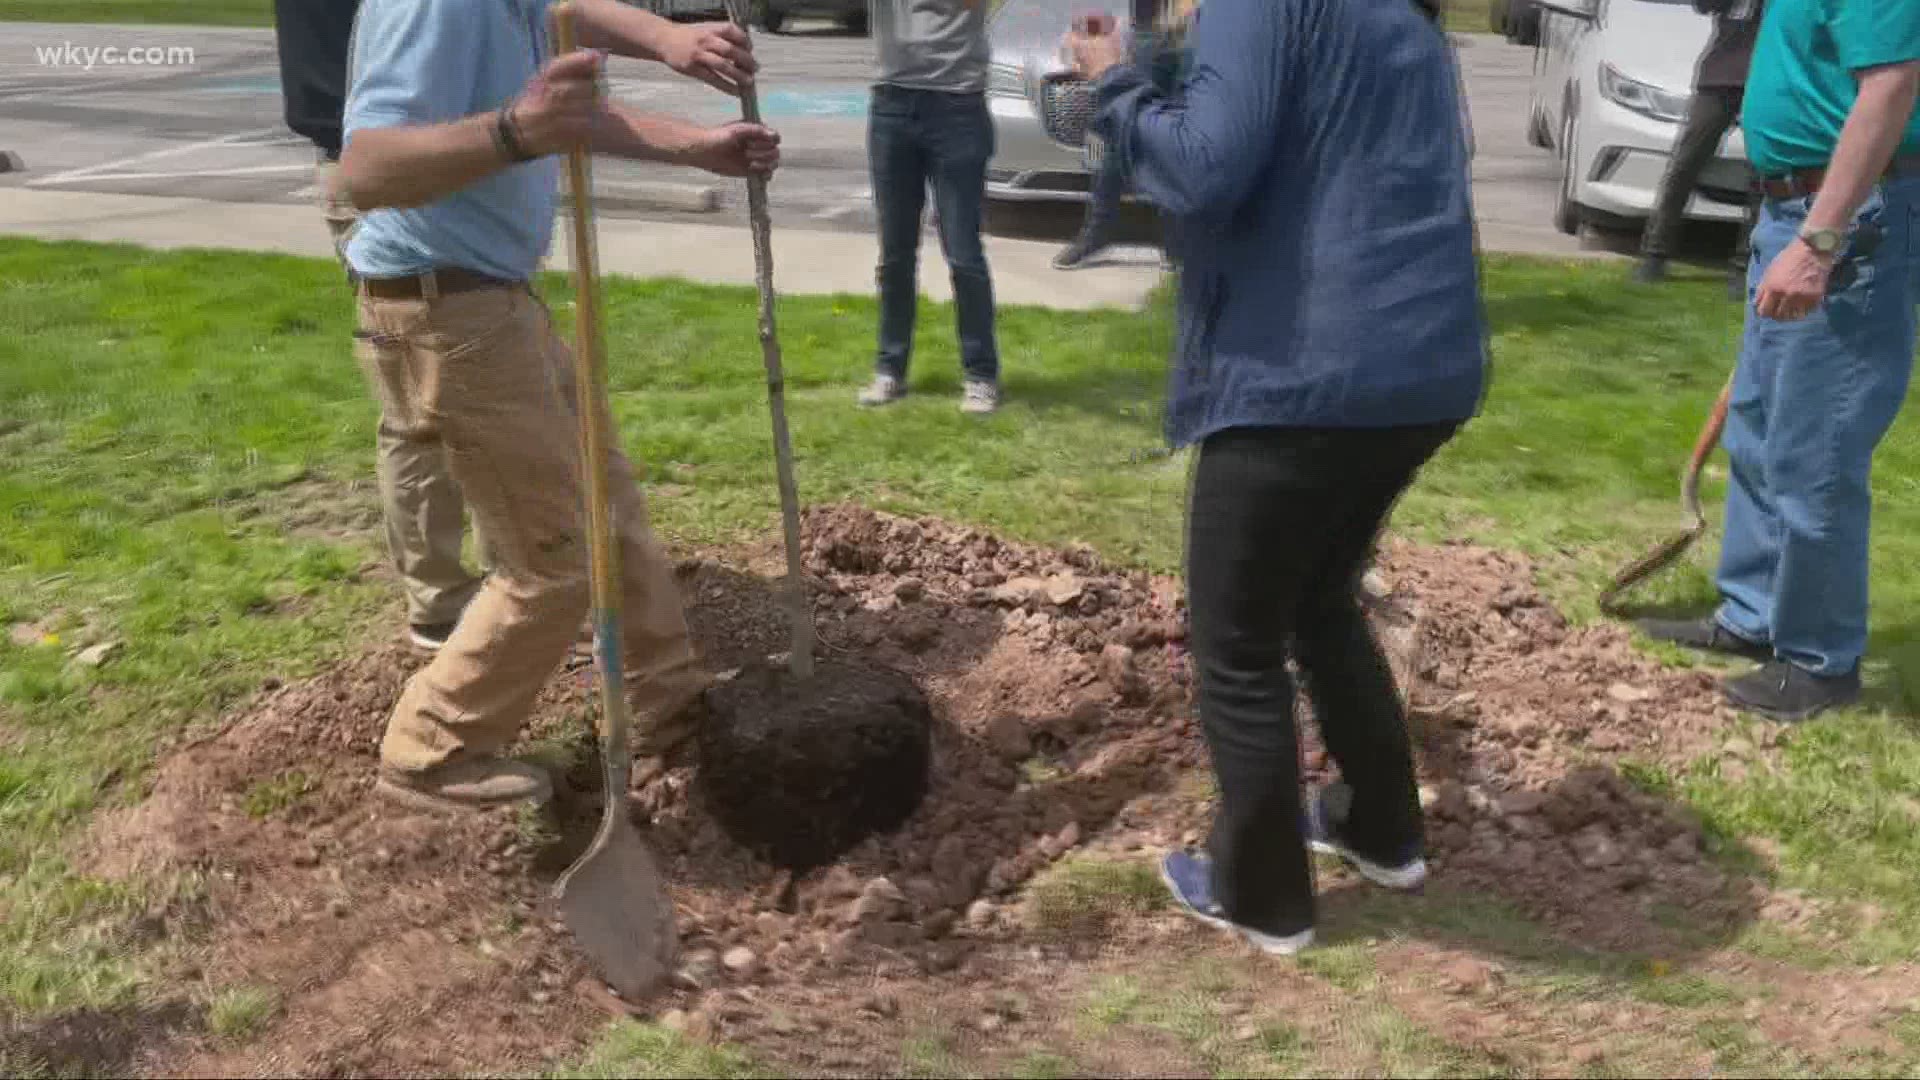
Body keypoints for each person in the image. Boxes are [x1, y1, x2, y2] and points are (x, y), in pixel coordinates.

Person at [1066, 0, 1485, 954]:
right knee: (1322, 603)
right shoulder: (1404, 18)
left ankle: (1261, 899)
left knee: (1237, 642)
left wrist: (1113, 84)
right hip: (1420, 370)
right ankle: (1381, 832)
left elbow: (1204, 170)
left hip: (1304, 371)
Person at [336, 0, 781, 810]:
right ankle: (432, 749)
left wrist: (696, 139)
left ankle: (667, 708)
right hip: (445, 315)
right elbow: (363, 169)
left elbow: (567, 48)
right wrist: (516, 130)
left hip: (495, 300)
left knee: (612, 508)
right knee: (555, 561)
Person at [1639, 0, 1920, 722]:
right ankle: (1755, 615)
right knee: (1761, 424)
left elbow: (1891, 86)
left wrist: (1822, 241)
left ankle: (1819, 659)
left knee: (1816, 444)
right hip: (1792, 208)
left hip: (1848, 220)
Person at [274, 0, 492, 653]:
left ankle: (483, 584)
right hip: (387, 165)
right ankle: (443, 603)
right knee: (423, 388)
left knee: (462, 372)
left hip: (406, 159)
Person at [856, 0, 1003, 415]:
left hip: (957, 104)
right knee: (895, 253)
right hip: (892, 102)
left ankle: (981, 375)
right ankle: (890, 369)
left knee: (963, 253)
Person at [1632, 0, 1765, 292]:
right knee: (1684, 165)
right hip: (1720, 76)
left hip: (1767, 80)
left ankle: (1745, 266)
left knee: (1762, 178)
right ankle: (1654, 253)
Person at [1051, 0, 1183, 272]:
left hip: (1172, 38)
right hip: (1147, 33)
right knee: (1119, 136)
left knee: (1152, 138)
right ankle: (1103, 233)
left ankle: (1175, 243)